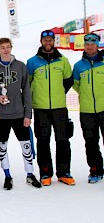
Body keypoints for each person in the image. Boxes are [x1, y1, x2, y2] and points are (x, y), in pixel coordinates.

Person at [0, 37, 41, 190]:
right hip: (0, 115)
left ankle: (30, 174)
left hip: (19, 113)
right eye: (3, 47)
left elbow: (26, 91)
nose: (6, 50)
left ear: (11, 48)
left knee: (25, 145)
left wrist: (28, 114)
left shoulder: (20, 66)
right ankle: (7, 175)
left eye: (8, 47)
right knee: (2, 145)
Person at [26, 30, 75, 186]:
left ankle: (64, 172)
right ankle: (46, 172)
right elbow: (27, 83)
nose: (48, 42)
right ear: (41, 41)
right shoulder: (32, 62)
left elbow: (68, 81)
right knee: (43, 140)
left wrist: (58, 94)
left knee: (63, 140)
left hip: (59, 107)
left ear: (54, 41)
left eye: (50, 40)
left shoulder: (63, 61)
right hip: (40, 107)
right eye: (45, 40)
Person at [73, 32, 104, 184]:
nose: (89, 47)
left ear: (97, 46)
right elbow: (77, 85)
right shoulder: (79, 66)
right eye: (87, 44)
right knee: (91, 143)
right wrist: (86, 96)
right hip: (87, 111)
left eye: (92, 44)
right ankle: (95, 170)